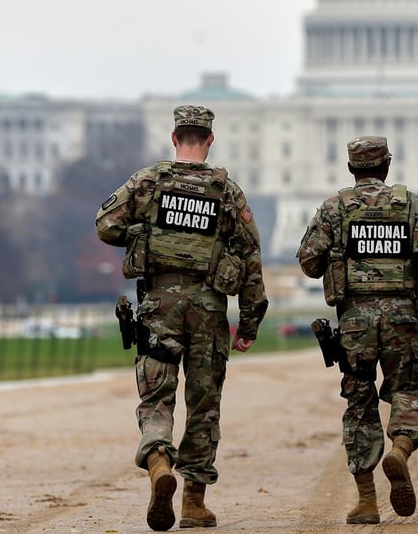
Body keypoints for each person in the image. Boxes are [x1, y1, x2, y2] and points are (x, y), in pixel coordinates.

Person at [95, 105, 268, 531]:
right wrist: (248, 324)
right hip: (209, 310)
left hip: (159, 305)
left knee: (157, 393)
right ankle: (193, 502)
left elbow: (105, 225)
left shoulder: (148, 181)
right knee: (204, 404)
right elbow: (250, 258)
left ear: (175, 138)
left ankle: (158, 460)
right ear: (209, 140)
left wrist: (146, 234)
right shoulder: (227, 192)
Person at [296, 136, 418, 524]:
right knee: (410, 388)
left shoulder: (334, 208)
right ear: (386, 166)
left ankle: (366, 501)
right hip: (400, 317)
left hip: (355, 323)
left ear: (351, 168)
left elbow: (309, 262)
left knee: (359, 404)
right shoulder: (409, 204)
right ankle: (400, 447)